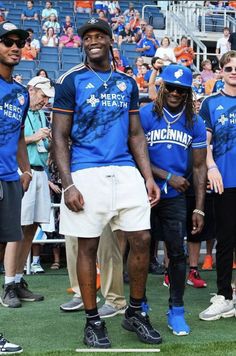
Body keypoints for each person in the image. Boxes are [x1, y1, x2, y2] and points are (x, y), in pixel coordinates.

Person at [52, 18, 161, 349]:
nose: (93, 41)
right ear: (82, 44)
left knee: (141, 238)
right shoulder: (71, 81)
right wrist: (68, 184)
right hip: (86, 171)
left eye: (100, 36)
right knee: (87, 245)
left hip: (125, 169)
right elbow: (59, 135)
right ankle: (92, 320)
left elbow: (136, 134)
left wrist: (147, 176)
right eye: (88, 38)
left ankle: (135, 312)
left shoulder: (127, 82)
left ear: (112, 42)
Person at [139, 64, 207, 335]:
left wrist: (200, 208)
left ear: (189, 93)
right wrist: (167, 176)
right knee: (140, 250)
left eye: (182, 89)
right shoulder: (145, 114)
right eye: (171, 87)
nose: (175, 93)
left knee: (176, 254)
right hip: (144, 192)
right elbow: (136, 153)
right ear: (162, 87)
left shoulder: (195, 121)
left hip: (176, 197)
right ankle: (139, 304)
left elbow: (200, 168)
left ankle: (176, 310)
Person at [0, 20, 31, 353]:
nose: (14, 47)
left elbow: (19, 135)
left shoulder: (21, 93)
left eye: (18, 43)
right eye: (7, 41)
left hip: (9, 179)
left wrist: (26, 169)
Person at [199, 50, 236, 321]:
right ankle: (225, 296)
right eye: (229, 67)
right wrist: (211, 167)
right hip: (225, 180)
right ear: (220, 71)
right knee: (225, 240)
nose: (234, 71)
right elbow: (205, 142)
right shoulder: (211, 103)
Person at [14, 76, 54, 295]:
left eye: (47, 97)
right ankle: (11, 279)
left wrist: (46, 141)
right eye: (42, 95)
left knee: (32, 226)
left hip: (40, 172)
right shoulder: (20, 111)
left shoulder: (41, 115)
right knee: (19, 227)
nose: (45, 101)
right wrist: (35, 137)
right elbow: (14, 140)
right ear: (31, 90)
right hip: (24, 172)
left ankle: (18, 278)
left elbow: (42, 144)